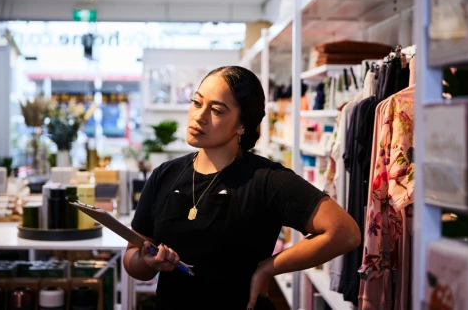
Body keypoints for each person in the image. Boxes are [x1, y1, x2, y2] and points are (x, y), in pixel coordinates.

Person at [123, 66, 361, 309]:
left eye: (216, 110)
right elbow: (133, 257)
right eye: (197, 102)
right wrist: (146, 262)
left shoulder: (266, 179)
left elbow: (344, 233)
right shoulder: (164, 175)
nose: (199, 116)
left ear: (242, 125)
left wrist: (268, 267)